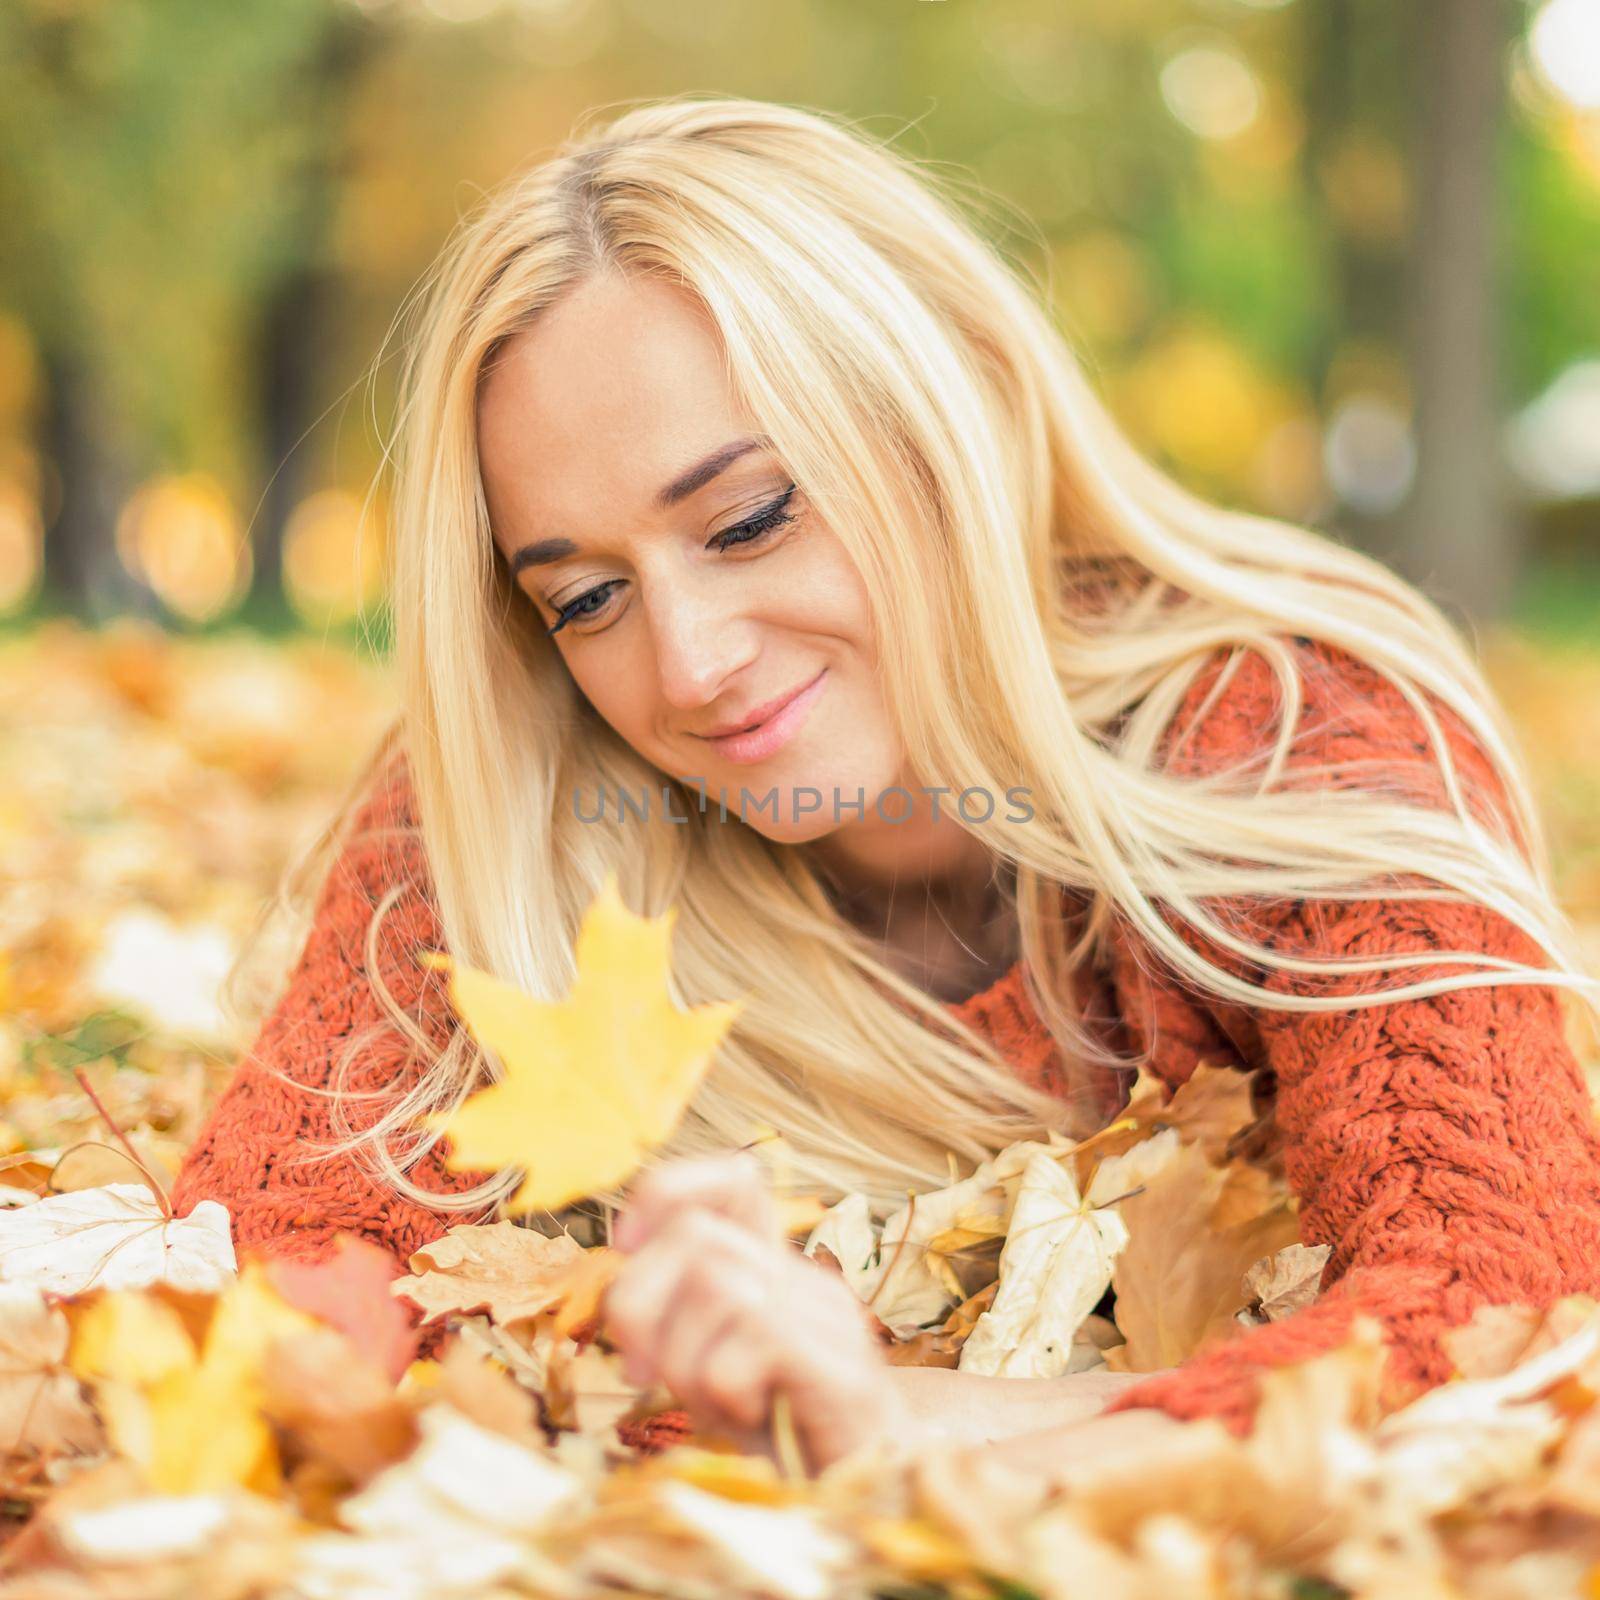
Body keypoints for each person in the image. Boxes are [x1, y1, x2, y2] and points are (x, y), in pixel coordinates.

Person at [171, 95, 1600, 1476]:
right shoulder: (512, 782)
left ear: (951, 410)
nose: (691, 665)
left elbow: (1508, 1316)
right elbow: (260, 1304)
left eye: (749, 520)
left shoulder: (1296, 733)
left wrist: (901, 1438)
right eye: (588, 596)